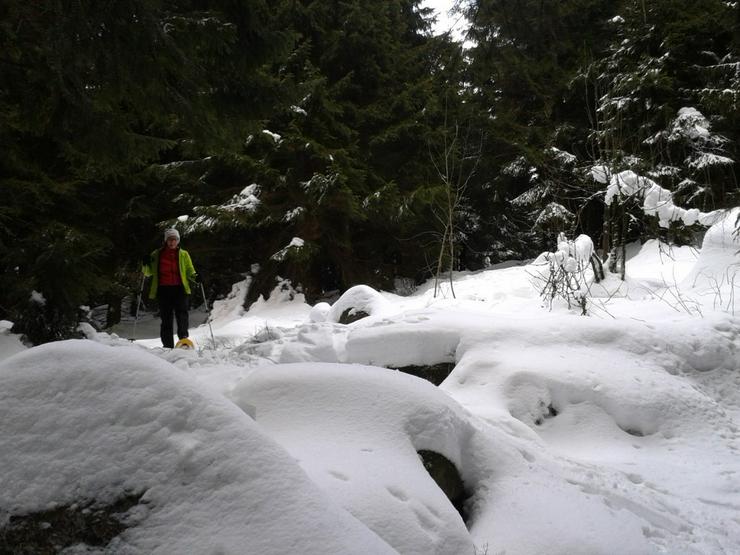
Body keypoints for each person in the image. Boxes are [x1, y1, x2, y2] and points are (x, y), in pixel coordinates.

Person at [142, 228, 197, 348]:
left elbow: (189, 271)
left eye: (175, 239)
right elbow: (147, 272)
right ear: (166, 241)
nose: (172, 242)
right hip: (163, 290)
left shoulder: (184, 254)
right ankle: (168, 346)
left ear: (178, 241)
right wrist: (145, 263)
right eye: (170, 240)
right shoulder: (156, 254)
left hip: (180, 289)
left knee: (182, 315)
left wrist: (196, 277)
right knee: (166, 318)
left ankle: (183, 341)